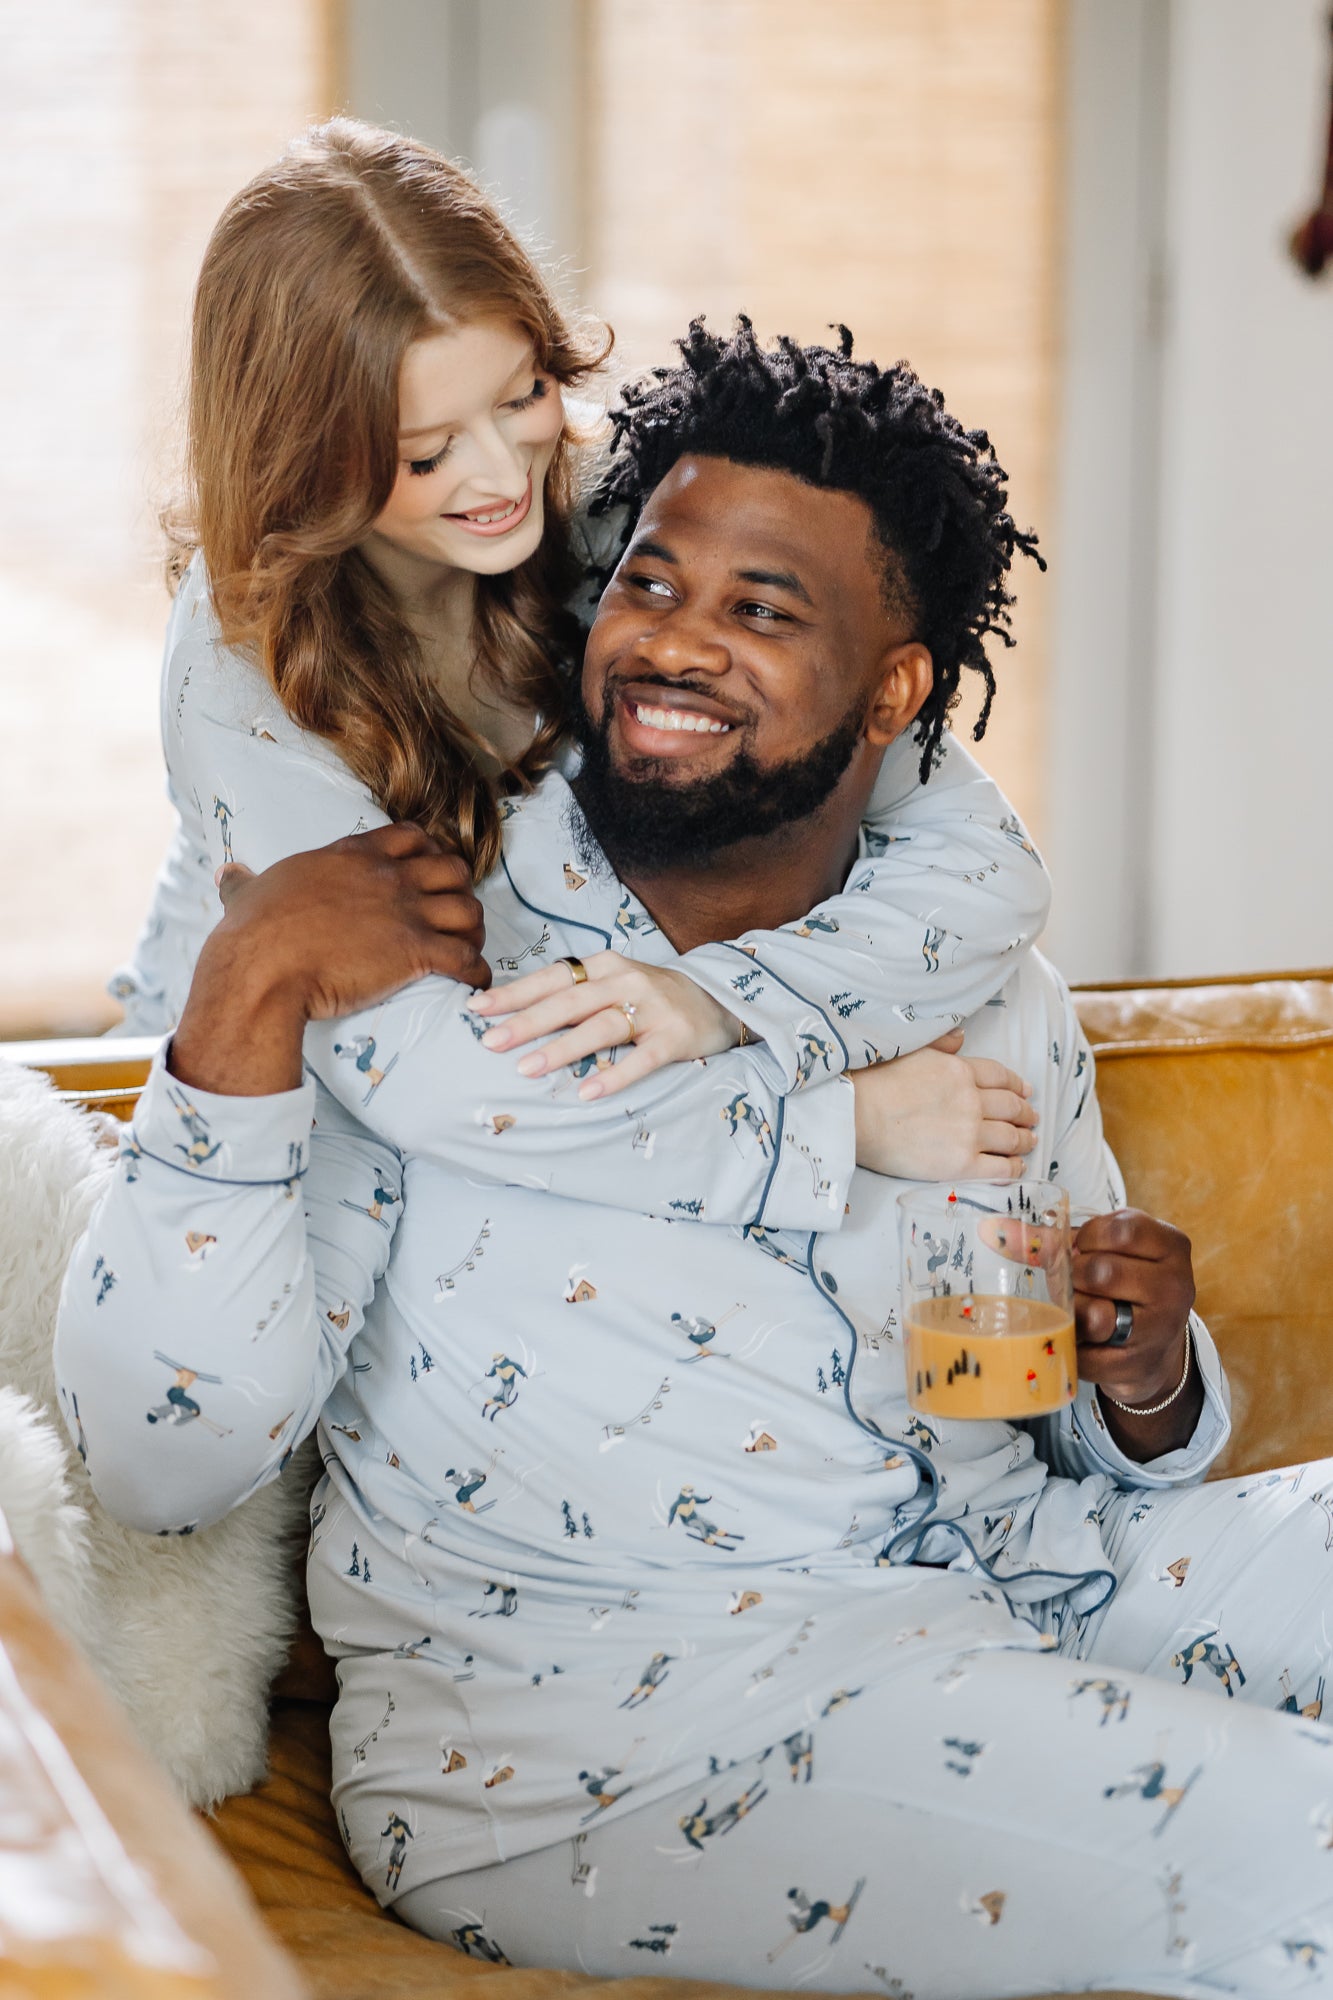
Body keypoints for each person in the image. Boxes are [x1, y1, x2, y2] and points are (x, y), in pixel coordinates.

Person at [59, 328, 1333, 1996]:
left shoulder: (973, 976)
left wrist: (1145, 1381)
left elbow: (1066, 1414)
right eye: (652, 585)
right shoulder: (432, 968)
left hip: (1027, 1584)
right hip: (607, 1744)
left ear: (894, 691)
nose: (677, 644)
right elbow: (162, 1466)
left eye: (762, 610)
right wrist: (239, 1005)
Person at [108, 121, 1050, 1134]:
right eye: (427, 455)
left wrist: (728, 1001)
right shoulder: (236, 640)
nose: (505, 477)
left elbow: (987, 867)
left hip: (571, 1084)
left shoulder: (617, 499)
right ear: (304, 461)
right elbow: (423, 1080)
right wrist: (836, 1129)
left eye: (525, 395)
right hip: (262, 1115)